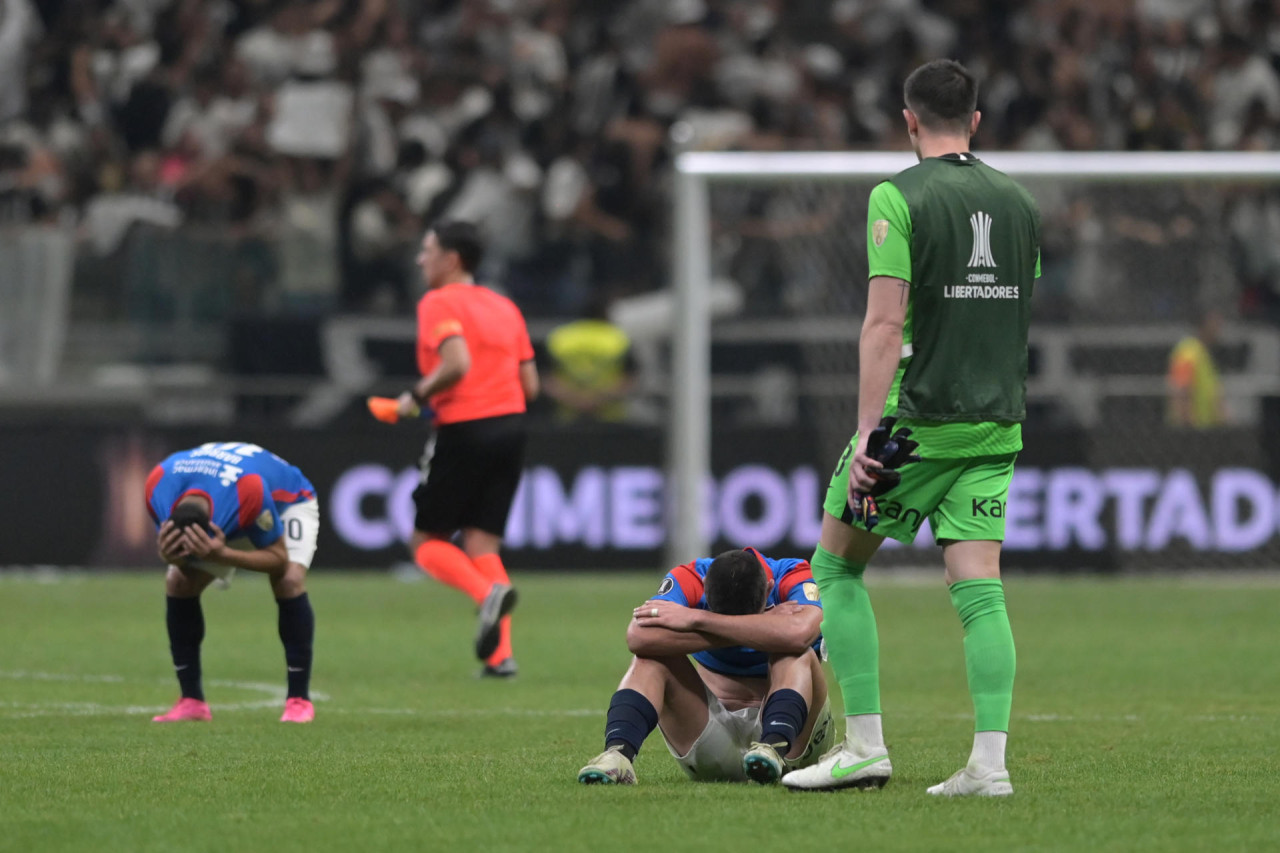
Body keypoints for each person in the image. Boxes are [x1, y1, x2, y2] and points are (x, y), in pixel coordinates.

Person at [780, 60, 1040, 797]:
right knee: (979, 588)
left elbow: (885, 320)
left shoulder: (897, 196)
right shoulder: (1020, 202)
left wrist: (866, 431)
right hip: (997, 422)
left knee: (834, 567)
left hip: (915, 422)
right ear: (977, 121)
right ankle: (989, 765)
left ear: (909, 119)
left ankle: (865, 746)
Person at [396, 220, 539, 678]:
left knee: (425, 543)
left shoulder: (438, 302)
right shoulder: (505, 307)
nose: (421, 259)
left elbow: (456, 362)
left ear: (451, 258)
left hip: (464, 428)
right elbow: (530, 385)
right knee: (482, 541)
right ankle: (501, 659)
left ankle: (485, 597)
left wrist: (415, 397)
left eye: (428, 250)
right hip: (512, 427)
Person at [577, 548, 835, 785]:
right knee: (650, 655)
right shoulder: (689, 577)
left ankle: (771, 747)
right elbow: (638, 636)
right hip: (712, 735)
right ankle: (618, 756)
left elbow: (799, 634)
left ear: (770, 589)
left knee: (796, 652)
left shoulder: (794, 574)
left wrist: (697, 618)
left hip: (792, 744)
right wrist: (762, 625)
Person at [145, 442, 319, 723]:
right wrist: (168, 556)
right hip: (230, 507)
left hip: (286, 501)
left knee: (288, 580)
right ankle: (191, 702)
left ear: (217, 528)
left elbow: (277, 557)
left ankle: (298, 700)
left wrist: (223, 555)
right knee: (178, 581)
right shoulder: (157, 487)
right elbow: (178, 555)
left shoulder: (246, 491)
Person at [543, 294, 636, 422]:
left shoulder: (559, 338)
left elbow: (545, 379)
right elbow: (631, 379)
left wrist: (575, 400)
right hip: (610, 417)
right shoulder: (618, 338)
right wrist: (597, 400)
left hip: (568, 417)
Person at [1167, 308, 1226, 428]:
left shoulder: (1203, 353)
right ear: (1203, 325)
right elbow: (1181, 389)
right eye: (1215, 324)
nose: (1218, 329)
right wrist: (1187, 423)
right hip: (1192, 428)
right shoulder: (1188, 351)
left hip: (1205, 426)